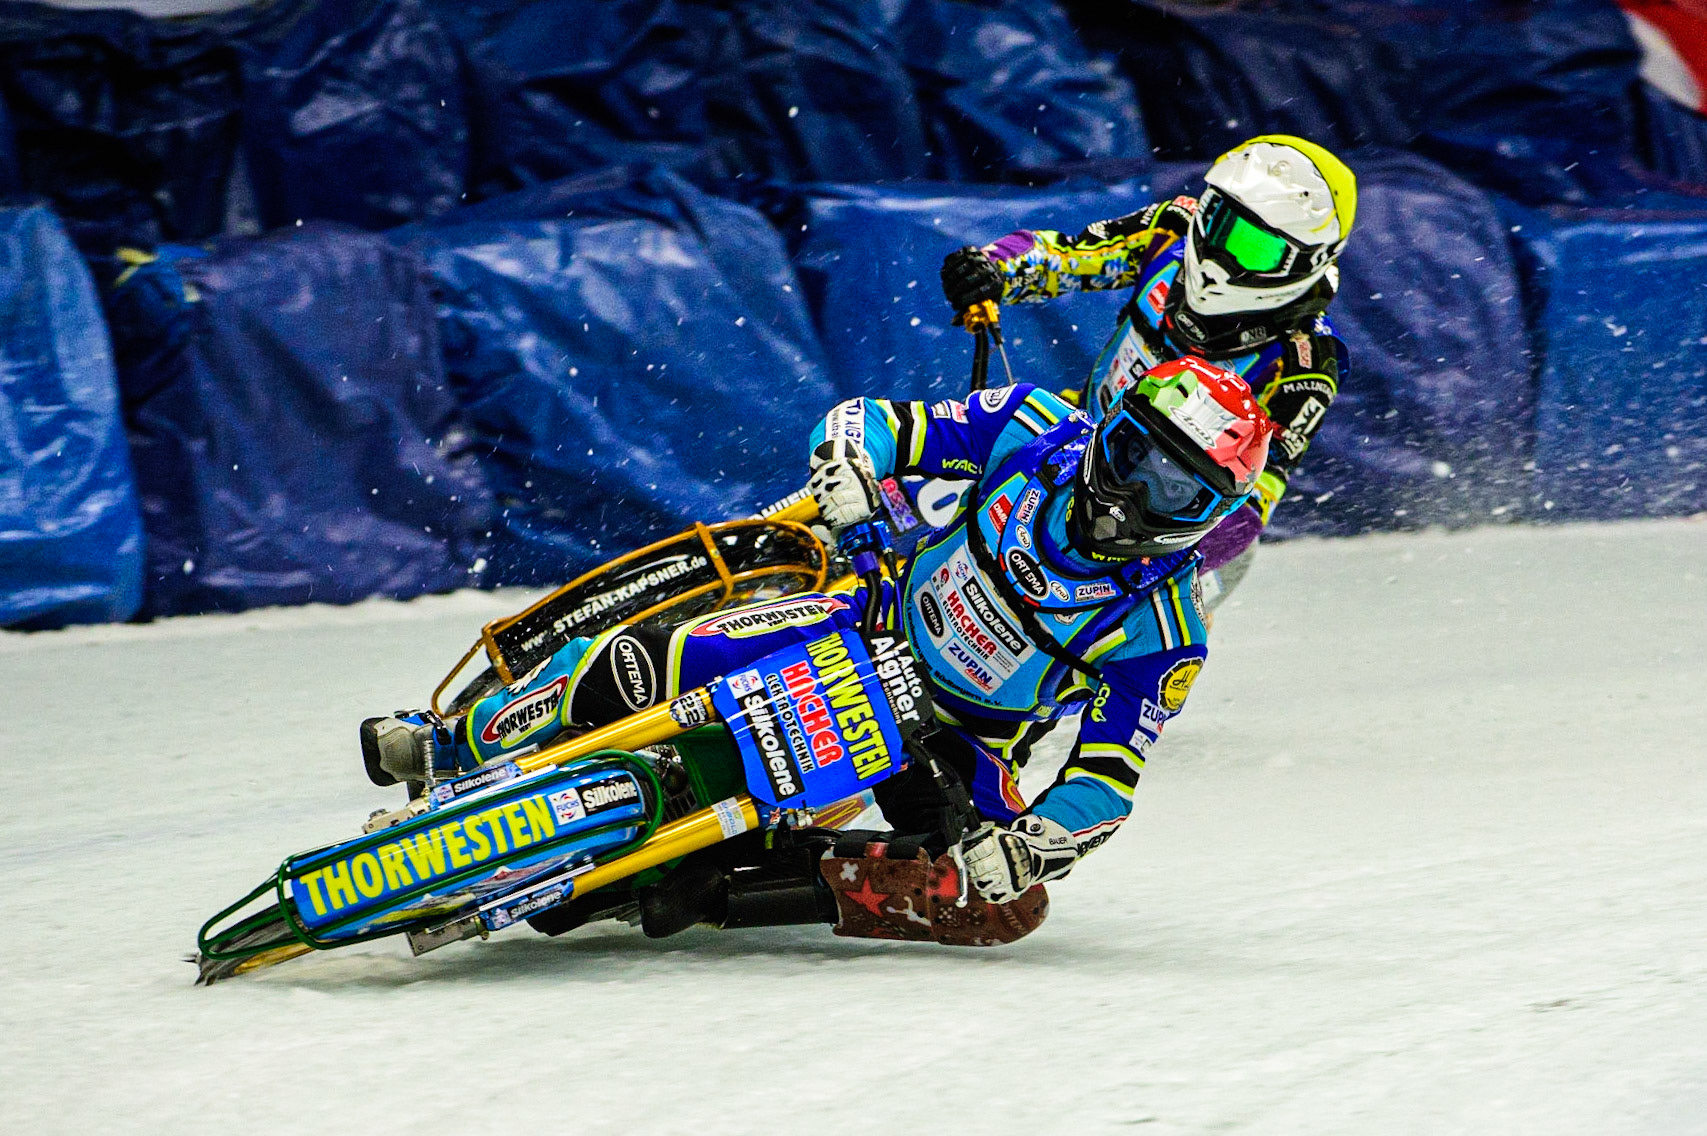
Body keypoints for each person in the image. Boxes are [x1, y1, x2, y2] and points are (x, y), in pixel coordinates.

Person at [361, 356, 1274, 940]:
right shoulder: (1037, 427)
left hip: (956, 741)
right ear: (1106, 425)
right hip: (868, 622)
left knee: (996, 904)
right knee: (646, 661)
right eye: (1133, 455)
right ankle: (456, 739)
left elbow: (1108, 776)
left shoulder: (1165, 630)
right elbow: (875, 420)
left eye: (1175, 493)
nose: (1133, 496)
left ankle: (715, 887)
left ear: (1211, 520)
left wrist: (1035, 844)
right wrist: (850, 467)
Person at [940, 135, 1356, 609]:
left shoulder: (1304, 361)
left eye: (1252, 247)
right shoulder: (1172, 227)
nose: (1219, 253)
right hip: (1072, 438)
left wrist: (1141, 550)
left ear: (1307, 261)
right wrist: (993, 268)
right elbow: (1068, 255)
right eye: (1217, 218)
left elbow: (1253, 503)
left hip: (1165, 524)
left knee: (1115, 626)